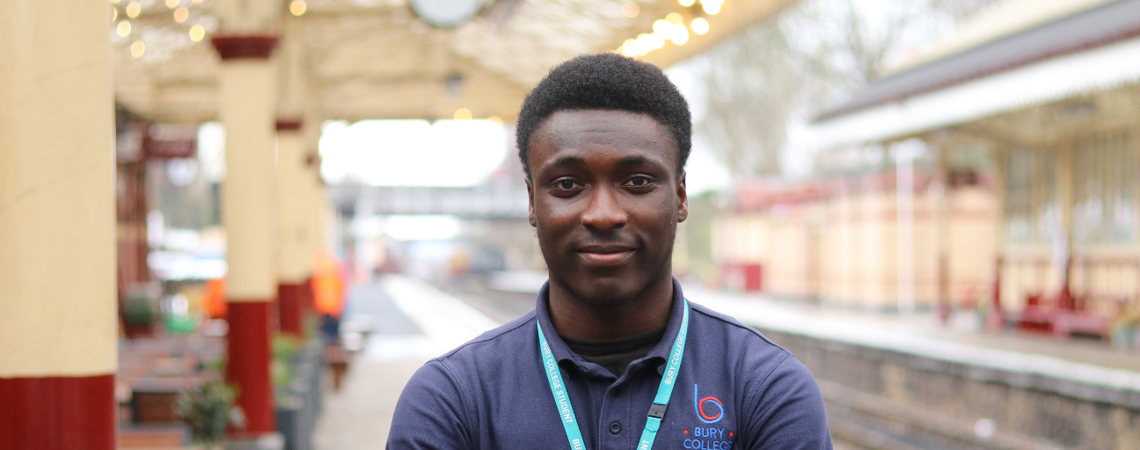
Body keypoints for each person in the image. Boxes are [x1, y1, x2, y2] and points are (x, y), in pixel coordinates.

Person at [387, 53, 832, 449]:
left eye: (637, 181)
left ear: (679, 197)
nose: (603, 214)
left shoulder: (766, 388)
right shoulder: (451, 400)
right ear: (531, 202)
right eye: (567, 185)